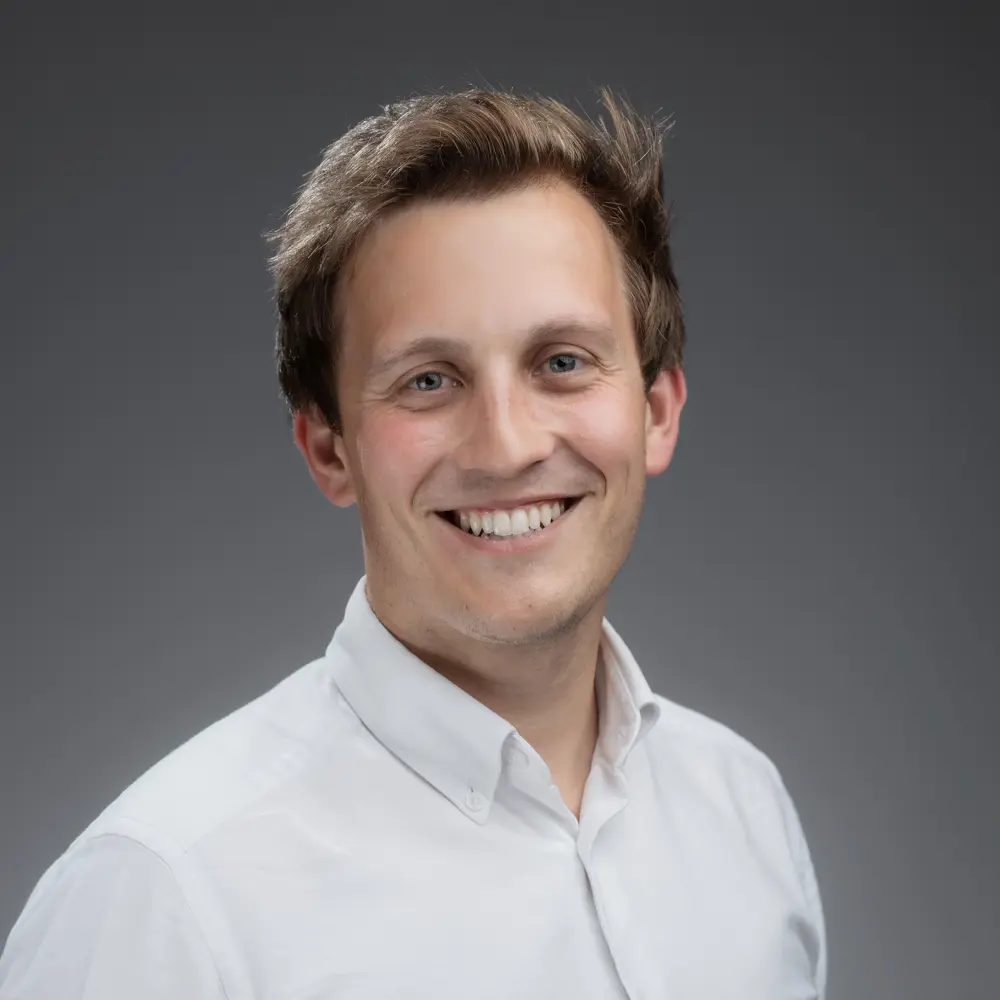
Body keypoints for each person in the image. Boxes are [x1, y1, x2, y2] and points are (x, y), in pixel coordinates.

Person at [0, 89, 827, 999]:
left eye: (562, 362)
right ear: (329, 448)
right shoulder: (165, 901)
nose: (508, 445)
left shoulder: (747, 810)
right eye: (429, 380)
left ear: (657, 412)